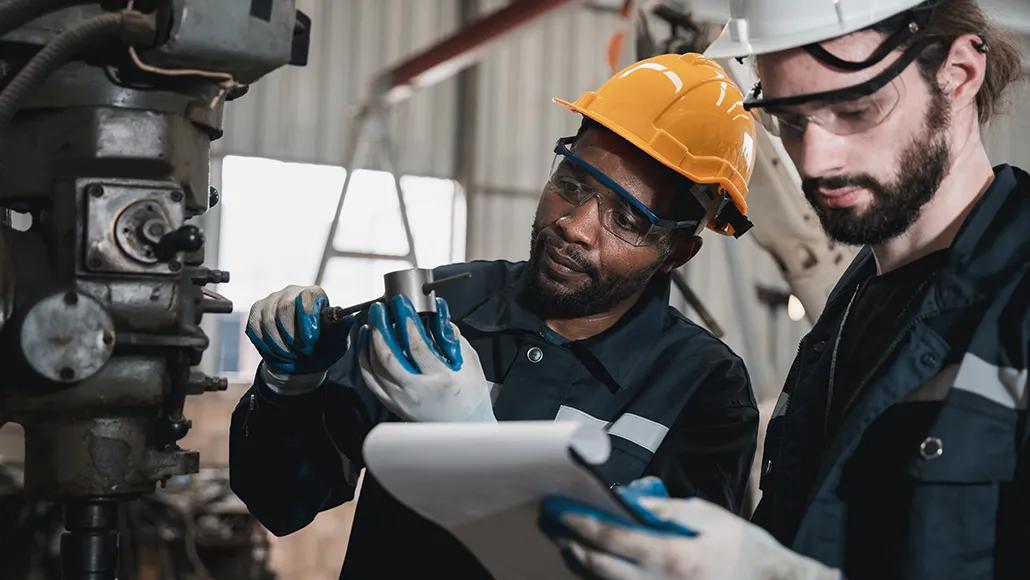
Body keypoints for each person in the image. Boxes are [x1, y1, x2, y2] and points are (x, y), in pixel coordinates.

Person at [540, 1, 1029, 579]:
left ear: (958, 76)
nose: (816, 162)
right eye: (790, 120)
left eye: (854, 109)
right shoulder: (849, 312)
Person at [229, 53, 761, 579]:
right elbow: (282, 501)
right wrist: (291, 386)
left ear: (674, 254)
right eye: (572, 185)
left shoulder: (702, 389)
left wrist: (475, 445)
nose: (575, 226)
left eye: (625, 218)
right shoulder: (449, 305)